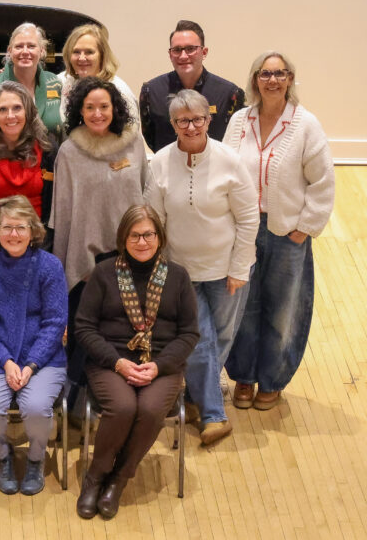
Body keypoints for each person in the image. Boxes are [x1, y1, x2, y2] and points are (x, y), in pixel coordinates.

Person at [145, 90, 258, 445]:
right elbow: (154, 220)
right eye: (182, 120)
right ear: (173, 124)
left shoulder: (230, 161)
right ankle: (214, 415)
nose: (191, 126)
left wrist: (239, 267)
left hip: (227, 268)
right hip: (181, 271)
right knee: (198, 339)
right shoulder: (159, 162)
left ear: (209, 120)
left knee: (221, 337)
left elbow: (248, 218)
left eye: (197, 119)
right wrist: (159, 268)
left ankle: (193, 399)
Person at [224, 52, 335, 411]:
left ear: (289, 79)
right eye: (265, 74)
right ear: (255, 79)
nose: (272, 80)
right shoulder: (240, 121)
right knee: (243, 305)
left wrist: (305, 228)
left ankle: (272, 380)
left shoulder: (306, 124)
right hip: (243, 229)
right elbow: (224, 171)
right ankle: (244, 376)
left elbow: (323, 181)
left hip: (287, 233)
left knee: (283, 309)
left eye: (280, 74)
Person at [74, 205, 199, 520]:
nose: (142, 242)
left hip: (162, 364)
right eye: (135, 235)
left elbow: (189, 334)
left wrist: (159, 366)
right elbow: (84, 328)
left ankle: (118, 479)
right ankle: (95, 476)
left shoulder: (178, 277)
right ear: (123, 238)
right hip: (110, 360)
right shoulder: (103, 274)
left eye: (148, 235)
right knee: (123, 407)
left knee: (151, 409)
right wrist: (117, 363)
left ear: (159, 237)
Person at [50, 77, 147, 383]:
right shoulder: (69, 151)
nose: (97, 114)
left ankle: (121, 391)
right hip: (86, 258)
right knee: (84, 330)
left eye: (103, 106)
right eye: (89, 107)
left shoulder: (134, 143)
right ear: (79, 110)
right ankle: (78, 393)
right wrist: (64, 261)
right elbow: (62, 212)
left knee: (125, 328)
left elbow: (146, 194)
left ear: (115, 107)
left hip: (130, 254)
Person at [0, 196, 67, 496]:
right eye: (6, 227)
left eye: (20, 227)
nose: (13, 234)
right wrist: (7, 362)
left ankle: (36, 459)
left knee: (36, 408)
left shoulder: (50, 267)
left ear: (33, 231)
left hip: (42, 359)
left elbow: (55, 323)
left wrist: (31, 364)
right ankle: (2, 456)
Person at [0, 82, 56, 264]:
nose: (10, 115)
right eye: (3, 109)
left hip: (39, 247)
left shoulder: (48, 149)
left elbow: (54, 207)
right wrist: (0, 247)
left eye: (17, 108)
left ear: (28, 111)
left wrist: (39, 246)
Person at [139, 20, 245, 152]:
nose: (183, 56)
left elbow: (235, 139)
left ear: (204, 52)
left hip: (215, 164)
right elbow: (150, 138)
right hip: (168, 164)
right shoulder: (151, 92)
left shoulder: (229, 94)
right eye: (177, 50)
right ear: (170, 54)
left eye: (190, 49)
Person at [0, 22, 63, 144]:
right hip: (2, 156)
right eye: (19, 46)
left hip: (49, 155)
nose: (25, 51)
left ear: (42, 51)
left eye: (31, 46)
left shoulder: (54, 83)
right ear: (10, 51)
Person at [59, 23, 138, 123]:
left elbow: (131, 131)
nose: (82, 58)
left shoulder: (120, 90)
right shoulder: (61, 82)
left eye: (89, 52)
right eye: (76, 52)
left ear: (102, 56)